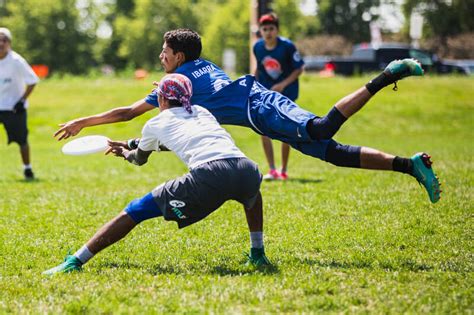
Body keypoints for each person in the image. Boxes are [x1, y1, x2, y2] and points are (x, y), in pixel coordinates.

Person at [54, 29, 441, 204]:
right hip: (259, 107)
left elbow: (127, 112)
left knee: (322, 128)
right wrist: (139, 147)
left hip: (262, 108)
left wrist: (82, 122)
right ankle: (411, 166)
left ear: (178, 57)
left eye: (164, 52)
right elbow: (181, 129)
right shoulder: (197, 70)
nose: (161, 57)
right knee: (332, 151)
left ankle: (389, 73)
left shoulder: (179, 78)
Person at [44, 74, 270, 275]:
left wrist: (124, 152)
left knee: (135, 210)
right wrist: (131, 143)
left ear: (161, 99)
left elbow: (139, 158)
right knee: (250, 196)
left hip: (210, 173)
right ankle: (258, 253)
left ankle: (75, 261)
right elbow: (178, 140)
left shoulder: (155, 122)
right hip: (246, 167)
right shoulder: (201, 111)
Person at [253, 13, 304, 181]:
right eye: (265, 29)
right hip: (266, 93)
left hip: (286, 94)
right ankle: (272, 169)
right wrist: (252, 85)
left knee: (285, 130)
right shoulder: (258, 47)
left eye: (271, 29)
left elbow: (299, 68)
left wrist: (283, 84)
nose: (268, 32)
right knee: (263, 129)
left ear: (277, 30)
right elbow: (260, 69)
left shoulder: (287, 46)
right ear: (260, 31)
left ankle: (284, 169)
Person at [0, 27, 39, 180]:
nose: (1, 43)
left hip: (14, 108)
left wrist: (22, 100)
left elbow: (33, 81)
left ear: (9, 43)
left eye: (5, 40)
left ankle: (27, 169)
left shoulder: (16, 61)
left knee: (22, 140)